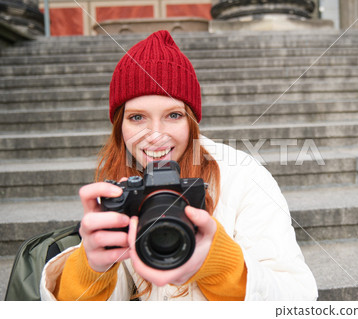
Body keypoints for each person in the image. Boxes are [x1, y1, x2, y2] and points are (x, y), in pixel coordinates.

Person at [39, 30, 318, 301]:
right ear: (119, 126)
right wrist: (90, 268)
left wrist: (219, 264)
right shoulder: (120, 182)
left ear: (192, 121)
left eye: (173, 115)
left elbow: (298, 299)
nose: (156, 134)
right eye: (137, 118)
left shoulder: (244, 177)